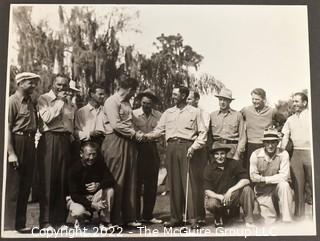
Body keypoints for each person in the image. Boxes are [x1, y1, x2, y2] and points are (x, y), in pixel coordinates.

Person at [143, 86, 207, 229]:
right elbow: (158, 130)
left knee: (189, 183)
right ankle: (175, 218)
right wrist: (144, 136)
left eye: (175, 94)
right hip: (171, 148)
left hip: (187, 147)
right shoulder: (168, 112)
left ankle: (193, 219)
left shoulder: (195, 112)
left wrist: (193, 147)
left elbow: (203, 133)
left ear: (184, 95)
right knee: (174, 183)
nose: (173, 96)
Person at [101, 76, 143, 227]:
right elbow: (116, 125)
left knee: (130, 179)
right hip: (115, 141)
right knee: (116, 180)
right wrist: (134, 134)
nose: (134, 94)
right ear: (130, 89)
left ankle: (129, 217)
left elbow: (131, 122)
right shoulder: (111, 101)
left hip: (129, 142)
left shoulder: (126, 103)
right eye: (134, 91)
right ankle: (112, 218)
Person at [37, 74, 75, 230]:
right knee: (48, 181)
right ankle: (46, 222)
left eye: (64, 85)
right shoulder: (43, 99)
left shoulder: (69, 103)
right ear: (53, 83)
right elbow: (47, 118)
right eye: (58, 84)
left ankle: (60, 221)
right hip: (50, 139)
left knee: (62, 181)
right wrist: (59, 101)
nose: (61, 88)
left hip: (65, 141)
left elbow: (69, 124)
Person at [5, 72, 40, 232]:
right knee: (13, 186)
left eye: (34, 83)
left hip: (30, 142)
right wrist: (11, 152)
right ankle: (9, 226)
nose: (34, 86)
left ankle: (20, 224)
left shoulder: (31, 102)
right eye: (30, 83)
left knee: (26, 185)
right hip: (17, 142)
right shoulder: (12, 101)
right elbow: (7, 129)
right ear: (20, 83)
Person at [204, 142, 255, 228]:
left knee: (247, 189)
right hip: (218, 198)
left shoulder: (234, 163)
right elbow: (207, 190)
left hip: (233, 196)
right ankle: (218, 216)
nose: (219, 157)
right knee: (211, 203)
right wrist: (219, 196)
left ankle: (249, 220)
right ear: (213, 155)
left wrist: (230, 190)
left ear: (226, 154)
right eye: (216, 154)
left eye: (222, 154)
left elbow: (246, 180)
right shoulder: (208, 168)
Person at [68, 141, 115, 229]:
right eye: (89, 154)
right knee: (79, 212)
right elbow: (74, 195)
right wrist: (92, 204)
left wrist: (98, 185)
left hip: (94, 197)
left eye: (94, 154)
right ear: (81, 154)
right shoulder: (74, 169)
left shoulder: (99, 163)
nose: (91, 157)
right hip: (79, 199)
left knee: (109, 190)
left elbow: (111, 180)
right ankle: (83, 217)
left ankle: (105, 221)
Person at [250, 128, 293, 224]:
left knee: (284, 185)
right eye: (267, 142)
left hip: (277, 188)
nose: (270, 145)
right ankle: (271, 208)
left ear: (277, 142)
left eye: (273, 142)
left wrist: (264, 179)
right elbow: (253, 177)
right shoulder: (255, 154)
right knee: (270, 220)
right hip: (263, 190)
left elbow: (284, 176)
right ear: (263, 143)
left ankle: (287, 218)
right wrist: (263, 180)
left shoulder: (283, 153)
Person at [132, 89, 163, 224]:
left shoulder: (159, 115)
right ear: (140, 102)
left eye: (149, 103)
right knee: (137, 184)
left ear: (153, 103)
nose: (146, 106)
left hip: (152, 149)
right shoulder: (134, 114)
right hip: (137, 149)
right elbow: (131, 130)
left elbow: (160, 131)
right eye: (144, 103)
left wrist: (148, 136)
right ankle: (136, 215)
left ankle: (148, 215)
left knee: (151, 185)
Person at [281, 92, 312, 217]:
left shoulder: (312, 115)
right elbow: (285, 136)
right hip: (296, 154)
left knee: (314, 185)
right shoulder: (290, 119)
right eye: (293, 101)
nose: (294, 104)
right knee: (298, 185)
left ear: (304, 103)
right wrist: (282, 152)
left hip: (311, 152)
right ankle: (299, 216)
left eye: (297, 101)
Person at [186, 90, 210, 226]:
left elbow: (203, 130)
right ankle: (189, 213)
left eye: (190, 99)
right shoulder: (184, 112)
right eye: (187, 99)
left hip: (199, 149)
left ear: (197, 99)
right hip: (188, 148)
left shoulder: (203, 113)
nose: (187, 102)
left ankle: (200, 214)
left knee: (199, 182)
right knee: (188, 182)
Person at [241, 88, 276, 173]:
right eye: (252, 99)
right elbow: (237, 119)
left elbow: (284, 122)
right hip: (250, 145)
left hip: (265, 145)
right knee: (250, 169)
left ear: (264, 99)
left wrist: (274, 131)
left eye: (257, 99)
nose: (254, 101)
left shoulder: (272, 111)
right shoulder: (246, 110)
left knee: (265, 168)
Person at [210, 88, 246, 161]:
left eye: (225, 100)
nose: (222, 102)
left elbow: (242, 137)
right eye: (220, 99)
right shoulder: (212, 115)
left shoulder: (237, 115)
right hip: (216, 148)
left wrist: (237, 154)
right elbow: (208, 137)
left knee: (231, 171)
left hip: (232, 149)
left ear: (229, 101)